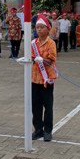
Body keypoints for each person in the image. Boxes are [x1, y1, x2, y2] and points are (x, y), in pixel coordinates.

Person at [31, 13, 57, 141]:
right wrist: (32, 59)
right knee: (35, 106)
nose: (39, 30)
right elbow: (31, 57)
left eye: (42, 27)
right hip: (35, 79)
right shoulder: (33, 43)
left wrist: (42, 60)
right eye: (37, 28)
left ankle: (47, 131)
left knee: (48, 106)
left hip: (47, 79)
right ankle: (38, 130)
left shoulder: (51, 43)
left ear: (47, 29)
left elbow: (52, 59)